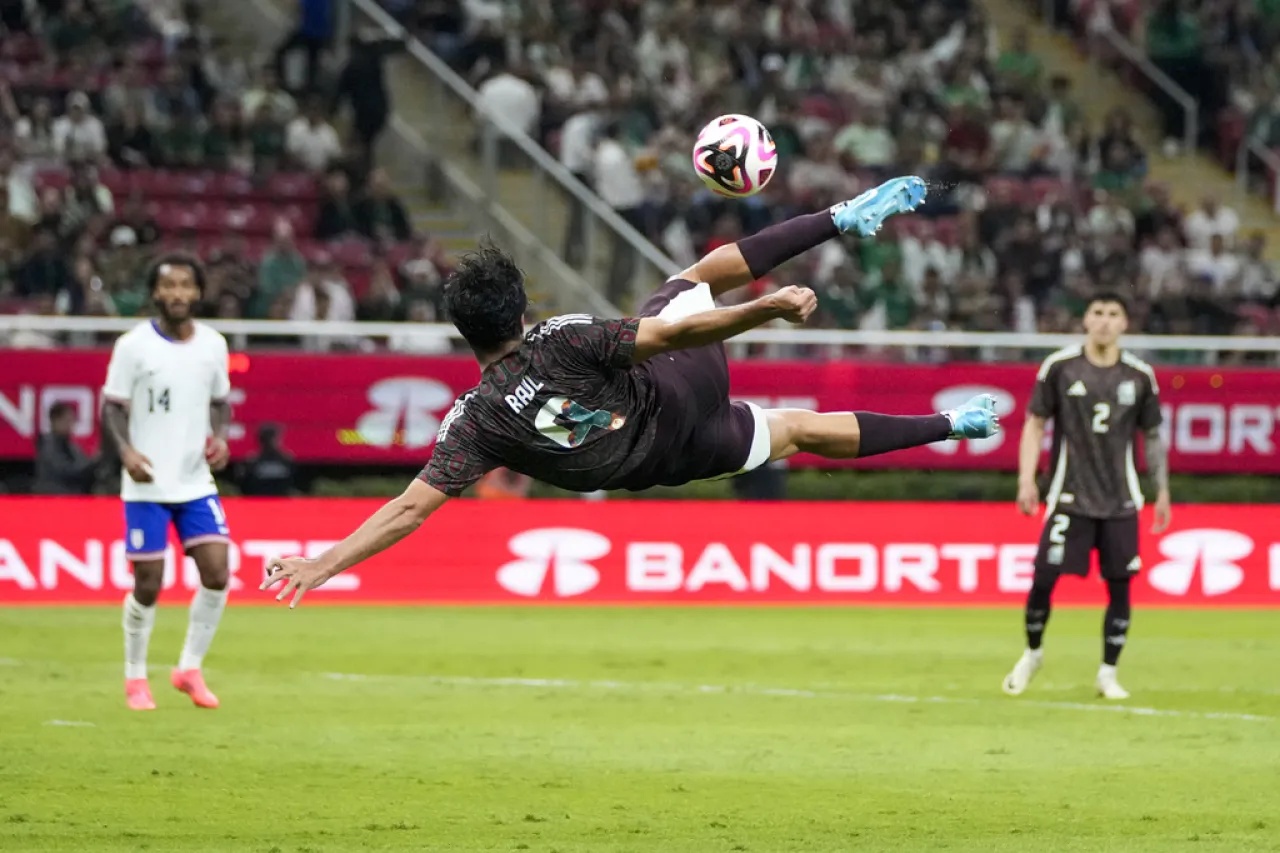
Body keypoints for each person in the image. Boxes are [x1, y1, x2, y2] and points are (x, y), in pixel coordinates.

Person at [262, 177, 1001, 607]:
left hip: (671, 459)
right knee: (687, 284)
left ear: (466, 333)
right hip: (680, 391)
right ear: (521, 311)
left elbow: (408, 507)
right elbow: (674, 338)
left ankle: (951, 423)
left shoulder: (473, 422)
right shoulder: (560, 338)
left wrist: (321, 563)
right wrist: (763, 310)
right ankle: (841, 217)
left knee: (799, 430)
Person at [1005, 293, 1171, 701]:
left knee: (1120, 587)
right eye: (1097, 313)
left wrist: (1162, 489)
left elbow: (1151, 436)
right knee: (1044, 578)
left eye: (1113, 314)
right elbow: (1034, 423)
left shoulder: (1139, 375)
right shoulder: (1060, 368)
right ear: (1085, 320)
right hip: (1067, 495)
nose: (1104, 321)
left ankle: (1108, 673)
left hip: (1121, 500)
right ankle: (1033, 653)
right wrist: (1027, 478)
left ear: (1125, 323)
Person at [100, 255, 234, 711]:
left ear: (198, 292)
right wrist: (126, 453)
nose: (177, 293)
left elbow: (220, 401)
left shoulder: (213, 344)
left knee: (218, 573)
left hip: (196, 480)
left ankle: (189, 669)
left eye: (185, 285)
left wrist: (219, 436)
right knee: (149, 583)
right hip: (146, 484)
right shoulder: (133, 346)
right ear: (155, 293)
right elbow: (112, 407)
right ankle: (136, 677)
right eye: (168, 286)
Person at [32, 401, 96, 494]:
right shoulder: (47, 445)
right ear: (55, 421)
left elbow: (83, 464)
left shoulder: (72, 447)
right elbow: (65, 471)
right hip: (53, 498)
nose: (71, 425)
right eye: (67, 421)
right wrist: (92, 463)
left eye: (72, 421)